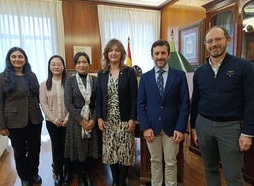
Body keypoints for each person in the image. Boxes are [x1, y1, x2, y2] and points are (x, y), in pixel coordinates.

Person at [190, 26, 254, 186]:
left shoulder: (244, 66)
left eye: (218, 39)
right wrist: (193, 128)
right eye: (210, 41)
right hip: (203, 125)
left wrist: (248, 133)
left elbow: (251, 100)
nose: (214, 44)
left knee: (233, 175)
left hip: (231, 128)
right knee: (210, 169)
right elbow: (195, 101)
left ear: (228, 40)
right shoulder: (200, 72)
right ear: (206, 45)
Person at [137, 39, 190, 186]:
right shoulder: (145, 78)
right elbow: (140, 105)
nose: (160, 56)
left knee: (171, 162)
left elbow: (185, 104)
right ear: (152, 56)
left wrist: (181, 128)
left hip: (172, 128)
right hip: (151, 128)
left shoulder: (179, 75)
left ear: (168, 55)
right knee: (155, 161)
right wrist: (145, 127)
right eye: (156, 53)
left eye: (163, 53)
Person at [0, 47, 43, 186]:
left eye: (20, 56)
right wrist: (1, 125)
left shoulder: (32, 75)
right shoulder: (1, 77)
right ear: (9, 59)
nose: (17, 59)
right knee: (20, 152)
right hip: (14, 122)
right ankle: (24, 176)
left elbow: (39, 97)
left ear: (25, 59)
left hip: (35, 119)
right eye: (14, 56)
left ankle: (34, 172)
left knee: (35, 149)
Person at [96, 38, 138, 186]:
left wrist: (133, 118)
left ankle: (122, 181)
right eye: (111, 50)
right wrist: (99, 118)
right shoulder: (101, 74)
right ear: (106, 54)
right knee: (111, 151)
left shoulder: (129, 72)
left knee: (125, 152)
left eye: (117, 50)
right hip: (108, 120)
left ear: (122, 53)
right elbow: (99, 98)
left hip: (125, 119)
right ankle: (115, 181)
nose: (113, 53)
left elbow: (135, 97)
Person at [64, 52, 100, 186]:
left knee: (90, 149)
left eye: (84, 62)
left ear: (89, 64)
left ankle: (88, 174)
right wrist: (81, 121)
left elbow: (98, 102)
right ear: (75, 65)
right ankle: (80, 176)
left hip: (92, 119)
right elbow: (68, 103)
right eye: (78, 62)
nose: (81, 65)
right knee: (78, 149)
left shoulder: (95, 80)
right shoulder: (70, 80)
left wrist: (93, 120)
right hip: (76, 121)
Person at [39, 55, 68, 185]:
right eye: (53, 64)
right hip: (52, 123)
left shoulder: (69, 82)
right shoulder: (44, 85)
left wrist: (67, 118)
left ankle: (67, 171)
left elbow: (72, 102)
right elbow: (43, 104)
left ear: (63, 66)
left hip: (69, 121)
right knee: (57, 148)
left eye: (59, 64)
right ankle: (58, 173)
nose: (56, 66)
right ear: (49, 67)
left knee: (67, 148)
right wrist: (54, 119)